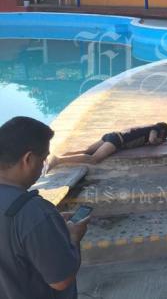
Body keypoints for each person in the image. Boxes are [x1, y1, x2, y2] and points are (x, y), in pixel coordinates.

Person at [0, 117, 88, 299]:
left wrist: (49, 226)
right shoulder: (32, 212)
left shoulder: (34, 216)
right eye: (44, 159)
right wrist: (73, 236)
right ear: (29, 159)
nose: (43, 167)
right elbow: (61, 280)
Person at [46, 122, 167, 170]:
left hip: (111, 135)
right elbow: (152, 139)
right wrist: (159, 141)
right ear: (163, 132)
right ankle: (58, 160)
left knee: (87, 151)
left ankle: (58, 156)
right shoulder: (156, 128)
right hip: (117, 141)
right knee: (94, 159)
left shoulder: (147, 126)